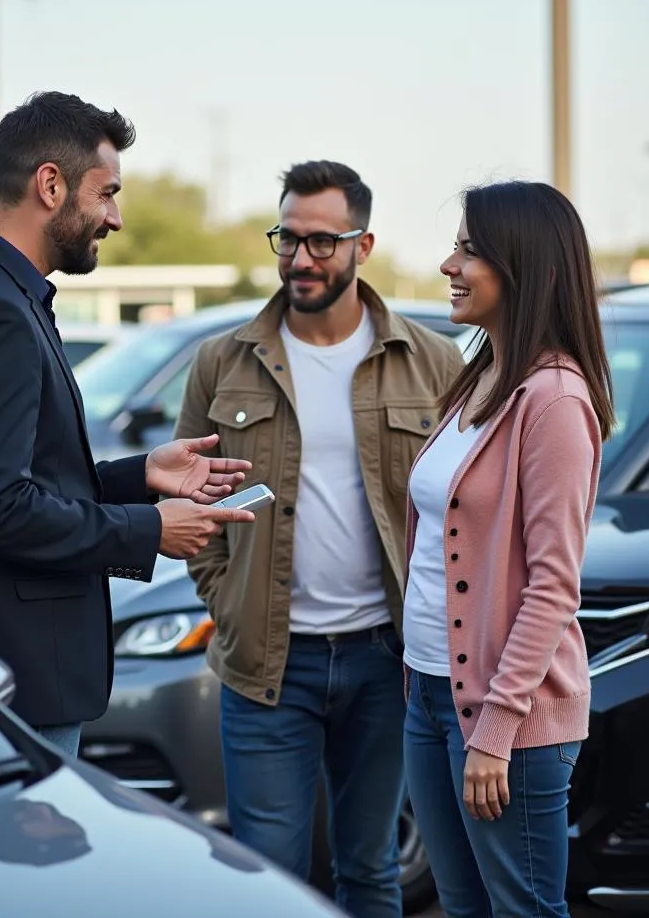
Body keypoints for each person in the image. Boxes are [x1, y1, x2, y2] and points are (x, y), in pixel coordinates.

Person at [0, 92, 256, 758]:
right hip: (12, 680)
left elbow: (13, 478)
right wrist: (152, 529)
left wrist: (140, 477)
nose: (115, 218)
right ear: (49, 184)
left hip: (0, 670)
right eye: (107, 193)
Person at [174, 160, 463, 917]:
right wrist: (228, 599)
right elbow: (190, 498)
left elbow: (462, 515)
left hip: (384, 659)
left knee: (370, 871)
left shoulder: (432, 362)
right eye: (288, 238)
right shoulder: (222, 362)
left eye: (321, 243)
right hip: (268, 665)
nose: (300, 259)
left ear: (363, 246)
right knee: (269, 876)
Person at [402, 180, 614, 917]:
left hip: (504, 718)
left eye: (468, 249)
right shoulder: (481, 379)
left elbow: (554, 585)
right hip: (428, 696)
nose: (448, 266)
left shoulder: (553, 401)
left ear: (522, 266)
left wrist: (495, 731)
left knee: (523, 910)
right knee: (463, 907)